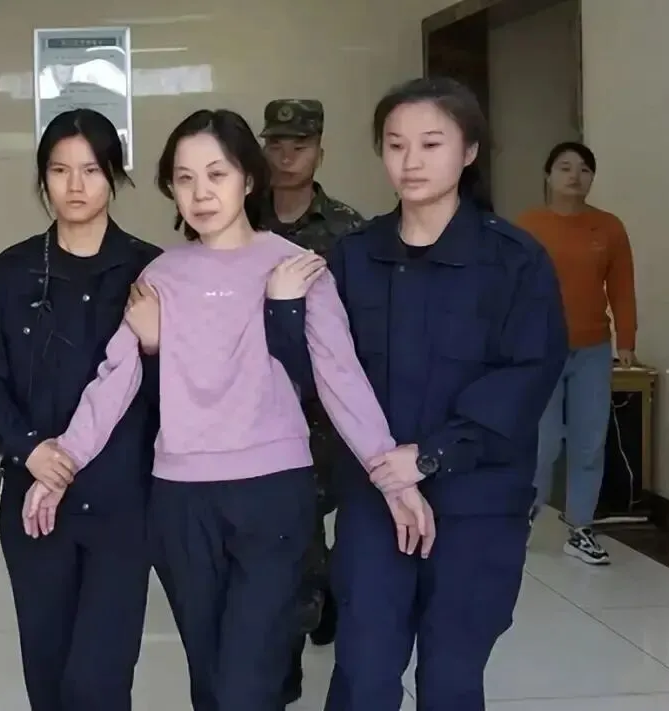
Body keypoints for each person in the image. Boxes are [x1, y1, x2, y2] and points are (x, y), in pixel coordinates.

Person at [23, 108, 431, 711]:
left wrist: (387, 471)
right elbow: (115, 379)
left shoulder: (296, 268)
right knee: (211, 682)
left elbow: (339, 375)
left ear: (248, 179)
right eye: (185, 179)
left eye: (217, 174)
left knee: (247, 681)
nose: (202, 193)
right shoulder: (160, 275)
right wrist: (64, 463)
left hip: (272, 495)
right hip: (181, 502)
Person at [275, 78, 568, 710]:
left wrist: (431, 455)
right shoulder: (354, 257)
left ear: (469, 151)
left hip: (476, 501)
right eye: (395, 144)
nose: (410, 161)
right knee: (363, 671)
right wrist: (282, 311)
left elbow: (527, 374)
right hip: (374, 498)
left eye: (431, 144)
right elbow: (321, 369)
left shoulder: (515, 261)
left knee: (452, 675)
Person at [0, 109, 161, 711]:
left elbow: (179, 390)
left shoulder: (151, 270)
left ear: (114, 176)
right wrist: (29, 448)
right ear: (43, 178)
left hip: (123, 504)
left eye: (91, 170)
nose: (75, 186)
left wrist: (156, 343)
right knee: (48, 676)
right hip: (35, 500)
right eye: (59, 170)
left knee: (100, 681)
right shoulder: (13, 270)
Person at [260, 97, 367, 702]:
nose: (286, 156)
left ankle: (324, 598)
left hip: (328, 413)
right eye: (275, 145)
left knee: (326, 535)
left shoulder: (349, 229)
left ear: (319, 153)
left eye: (298, 146)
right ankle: (287, 663)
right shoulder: (239, 218)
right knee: (286, 537)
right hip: (261, 410)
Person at [518, 141, 637, 565]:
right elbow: (510, 288)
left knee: (590, 440)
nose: (575, 175)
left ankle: (580, 527)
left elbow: (621, 285)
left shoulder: (608, 227)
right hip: (541, 349)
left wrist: (626, 339)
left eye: (584, 169)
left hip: (592, 349)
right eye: (565, 167)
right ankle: (525, 513)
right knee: (544, 441)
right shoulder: (528, 226)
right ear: (549, 175)